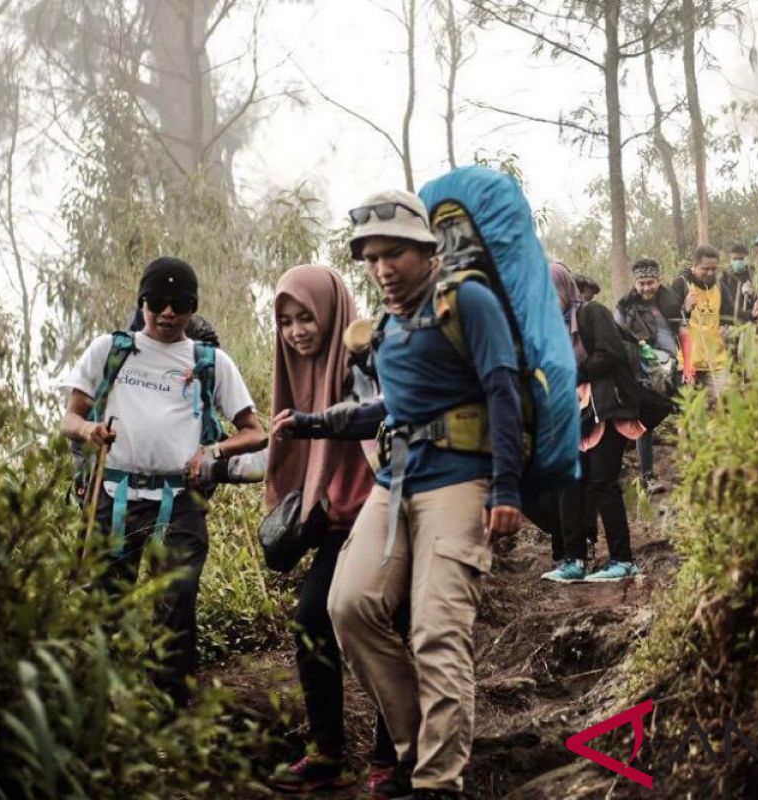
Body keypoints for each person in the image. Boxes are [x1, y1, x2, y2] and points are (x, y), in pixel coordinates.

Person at [289, 189, 523, 799]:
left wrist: (507, 488)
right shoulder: (389, 325)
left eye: (394, 254)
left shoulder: (468, 301)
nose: (382, 269)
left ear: (426, 249)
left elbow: (503, 390)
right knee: (348, 606)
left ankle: (437, 782)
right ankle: (417, 744)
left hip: (460, 484)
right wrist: (318, 422)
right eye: (370, 258)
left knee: (437, 632)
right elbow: (391, 409)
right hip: (394, 484)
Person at [60, 256, 267, 705]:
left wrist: (213, 451)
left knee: (176, 609)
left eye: (181, 303)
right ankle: (94, 705)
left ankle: (168, 714)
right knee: (104, 605)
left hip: (181, 502)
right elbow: (69, 418)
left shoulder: (210, 361)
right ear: (142, 303)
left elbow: (256, 432)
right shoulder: (109, 350)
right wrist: (90, 431)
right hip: (113, 497)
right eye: (158, 302)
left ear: (193, 308)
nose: (169, 313)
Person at [263, 264, 393, 794]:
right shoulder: (297, 373)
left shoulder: (365, 358)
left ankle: (393, 754)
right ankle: (326, 749)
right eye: (286, 321)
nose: (296, 331)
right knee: (311, 618)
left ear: (332, 311)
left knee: (382, 626)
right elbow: (282, 447)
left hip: (385, 513)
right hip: (339, 525)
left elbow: (384, 419)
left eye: (306, 318)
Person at [540, 264, 643, 583]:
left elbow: (611, 353)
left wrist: (573, 373)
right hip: (575, 414)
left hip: (606, 408)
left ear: (564, 290)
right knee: (569, 483)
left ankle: (623, 560)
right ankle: (574, 560)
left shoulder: (592, 313)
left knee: (602, 481)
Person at [615, 258, 681, 490]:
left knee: (688, 413)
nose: (646, 288)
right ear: (635, 283)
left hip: (673, 368)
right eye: (641, 283)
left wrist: (688, 366)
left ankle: (696, 471)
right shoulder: (625, 307)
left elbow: (684, 332)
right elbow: (618, 338)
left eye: (650, 282)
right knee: (645, 422)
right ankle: (647, 477)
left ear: (658, 280)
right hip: (642, 371)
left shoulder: (670, 301)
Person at [671, 244, 733, 403]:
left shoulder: (720, 287)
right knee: (690, 410)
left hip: (716, 363)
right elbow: (669, 320)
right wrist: (685, 308)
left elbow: (731, 315)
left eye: (714, 269)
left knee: (724, 407)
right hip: (688, 362)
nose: (710, 273)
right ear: (695, 266)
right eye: (705, 269)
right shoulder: (681, 285)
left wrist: (748, 316)